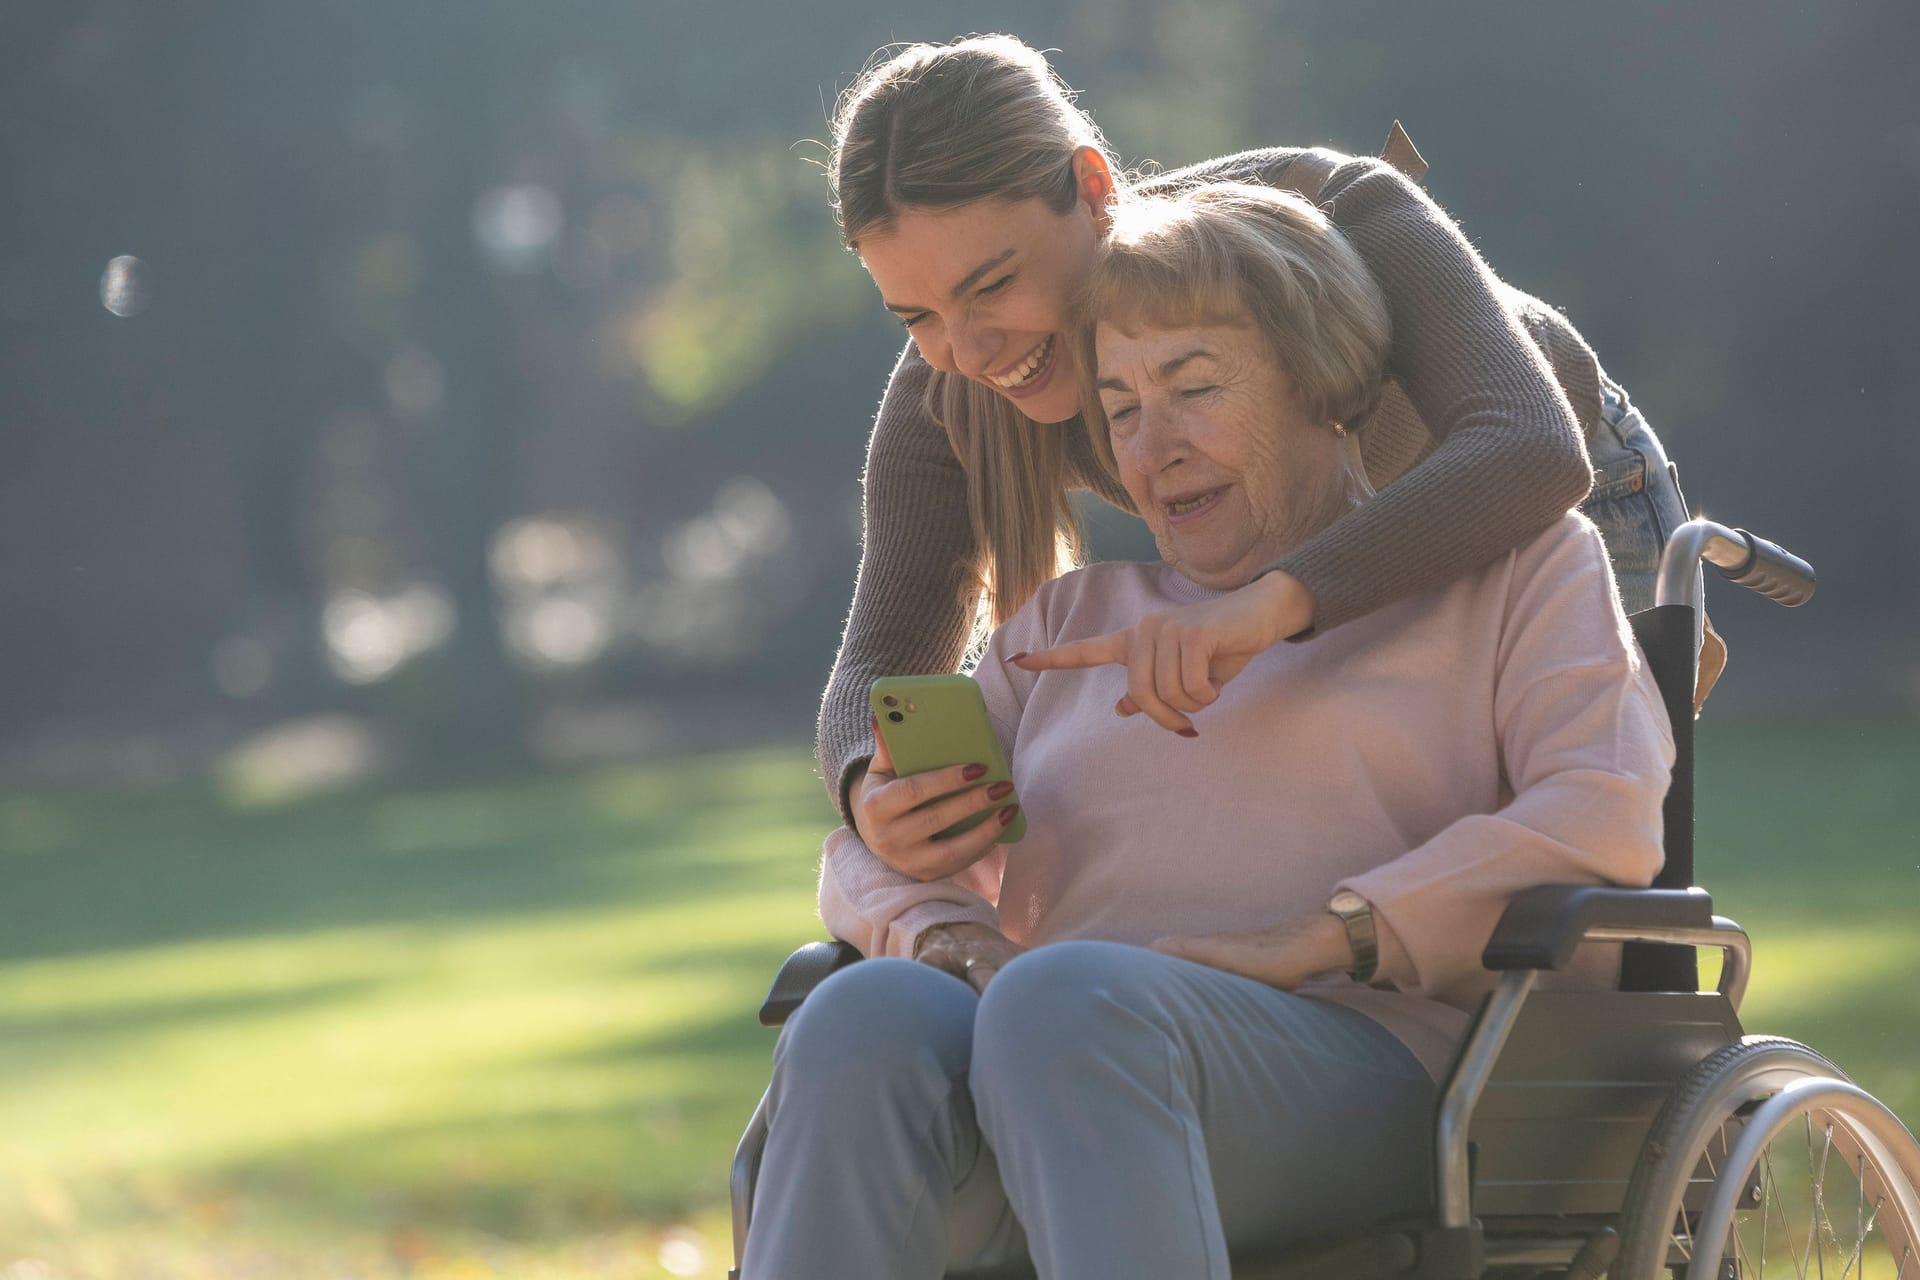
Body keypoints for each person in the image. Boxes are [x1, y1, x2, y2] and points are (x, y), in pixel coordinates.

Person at [739, 183, 1675, 1279]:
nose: (1155, 447)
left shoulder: (1518, 570)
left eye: (1193, 388)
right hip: (1047, 1053)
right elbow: (867, 858)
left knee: (1066, 999)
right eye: (1121, 406)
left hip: (1372, 1061)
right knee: (864, 1013)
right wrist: (957, 940)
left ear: (1324, 383)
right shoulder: (1063, 624)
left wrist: (1327, 934)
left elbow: (1601, 812)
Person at [816, 34, 1699, 883]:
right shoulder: (951, 396)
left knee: (1583, 869)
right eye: (917, 317)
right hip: (1313, 566)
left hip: (1560, 496)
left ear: (1091, 189)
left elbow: (1530, 450)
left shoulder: (1323, 205)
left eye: (992, 285)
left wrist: (1265, 606)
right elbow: (871, 671)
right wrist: (871, 785)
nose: (967, 353)